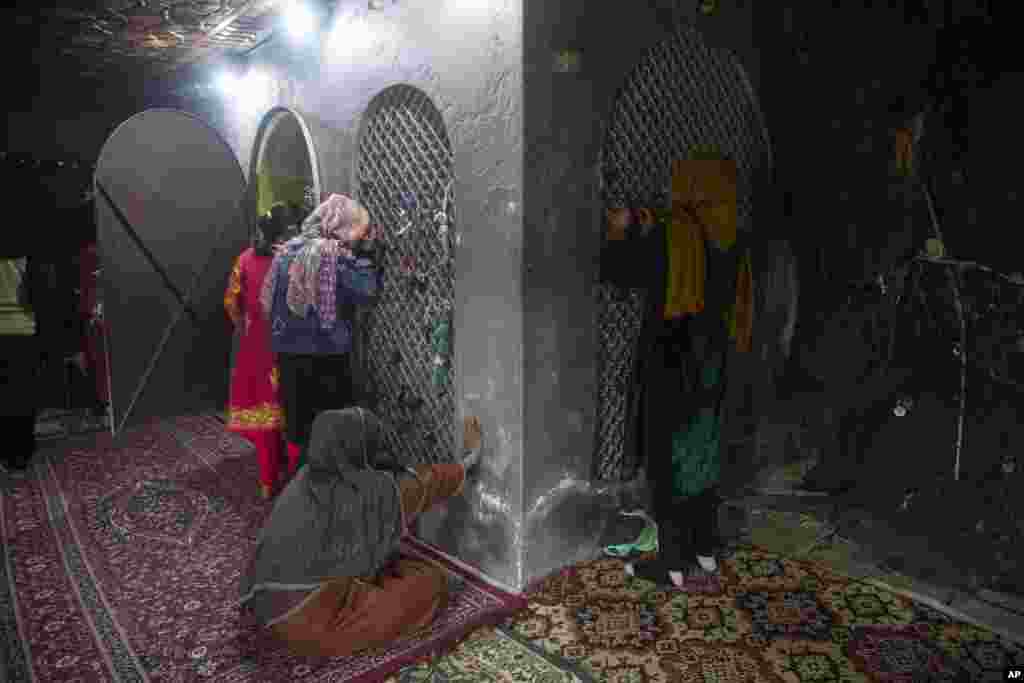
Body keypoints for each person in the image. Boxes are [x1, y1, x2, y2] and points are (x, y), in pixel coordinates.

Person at [239, 407, 483, 658]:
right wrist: (467, 462)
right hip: (312, 623)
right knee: (429, 584)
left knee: (388, 558)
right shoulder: (366, 493)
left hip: (267, 603)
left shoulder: (303, 479)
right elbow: (425, 484)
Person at [260, 194, 380, 477]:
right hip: (326, 358)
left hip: (288, 355)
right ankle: (329, 500)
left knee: (301, 432)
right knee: (331, 432)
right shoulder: (332, 256)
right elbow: (366, 291)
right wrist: (366, 256)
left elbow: (269, 302)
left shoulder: (287, 250)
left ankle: (301, 493)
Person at [225, 212, 290, 499]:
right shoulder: (288, 257)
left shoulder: (244, 259)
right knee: (288, 405)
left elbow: (230, 302)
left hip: (256, 343)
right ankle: (289, 469)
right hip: (287, 341)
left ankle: (267, 479)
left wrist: (246, 324)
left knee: (265, 409)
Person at [0, 255, 44, 470]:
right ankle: (23, 449)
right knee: (23, 391)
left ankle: (8, 451)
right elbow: (31, 292)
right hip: (22, 328)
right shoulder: (23, 241)